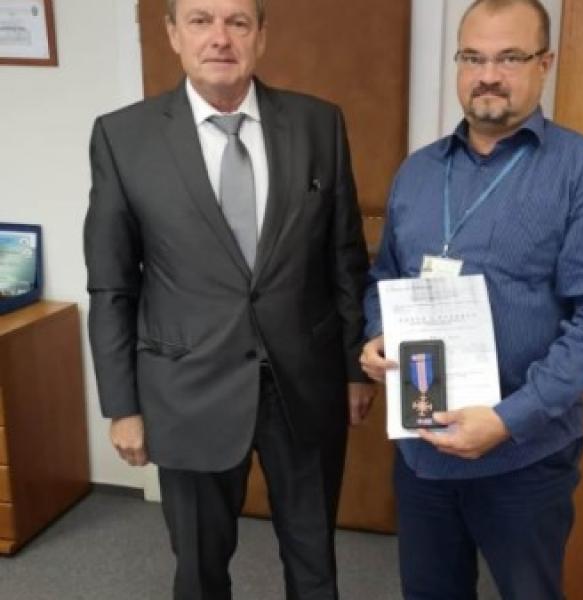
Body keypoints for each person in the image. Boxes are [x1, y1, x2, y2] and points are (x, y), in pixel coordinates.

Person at [84, 0, 374, 598]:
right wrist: (122, 406)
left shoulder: (319, 124)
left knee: (314, 560)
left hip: (305, 385)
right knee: (199, 566)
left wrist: (353, 368)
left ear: (260, 36)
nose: (220, 38)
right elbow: (112, 285)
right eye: (200, 20)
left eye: (237, 22)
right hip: (186, 390)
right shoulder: (123, 137)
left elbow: (344, 255)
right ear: (173, 34)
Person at [360, 0, 583, 598]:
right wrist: (379, 333)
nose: (488, 75)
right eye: (473, 57)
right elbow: (387, 276)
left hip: (524, 458)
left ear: (545, 64)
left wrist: (507, 420)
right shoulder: (418, 171)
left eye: (509, 58)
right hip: (423, 450)